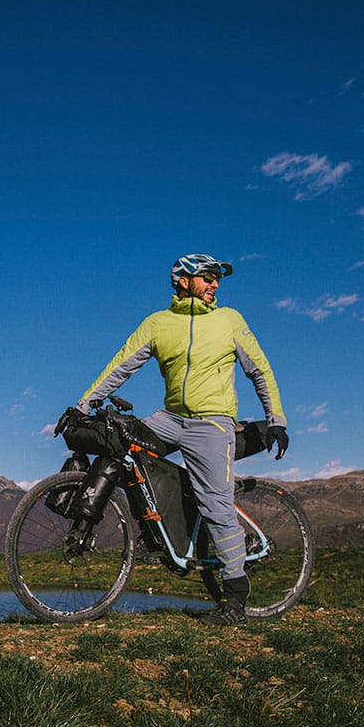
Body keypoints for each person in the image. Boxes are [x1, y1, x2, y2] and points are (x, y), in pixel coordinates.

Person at [75, 253, 289, 626]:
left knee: (216, 504)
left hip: (213, 423)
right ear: (183, 280)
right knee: (120, 444)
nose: (215, 284)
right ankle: (152, 533)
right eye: (208, 277)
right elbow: (121, 364)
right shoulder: (158, 324)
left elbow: (260, 369)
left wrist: (277, 419)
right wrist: (83, 405)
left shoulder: (229, 320)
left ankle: (235, 596)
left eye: (217, 278)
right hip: (172, 418)